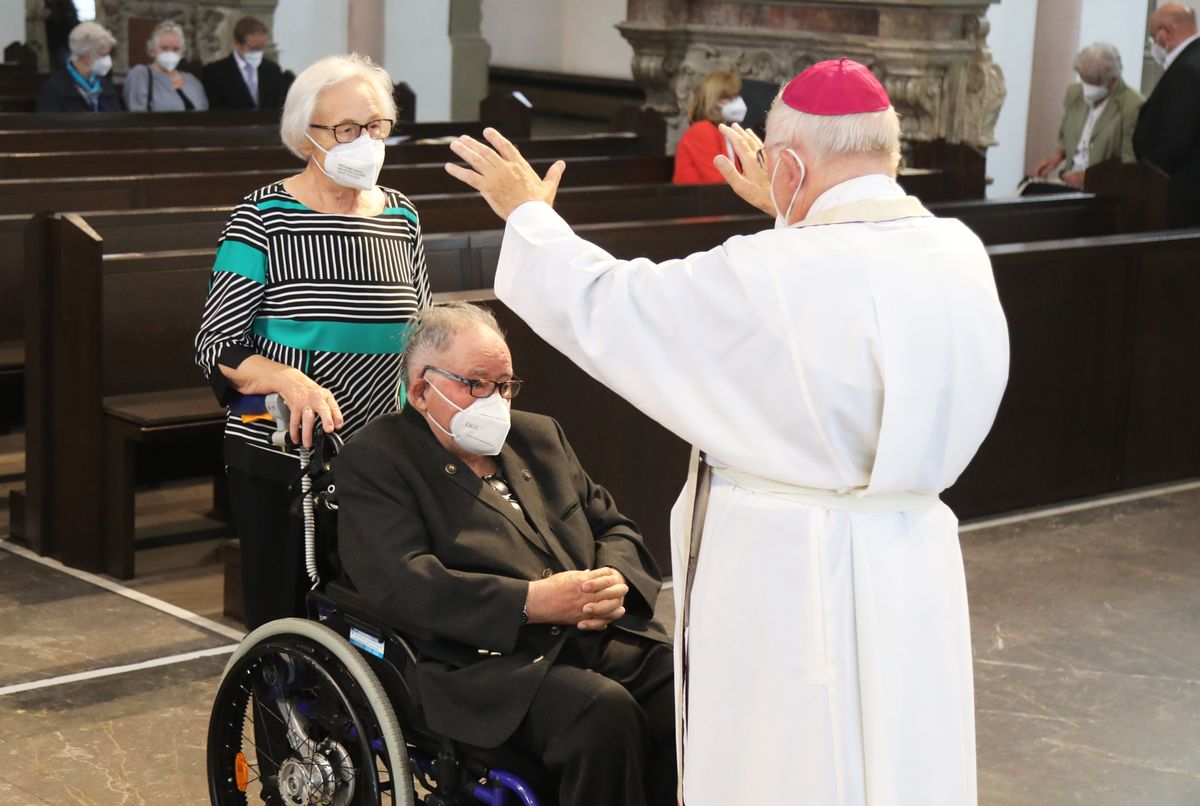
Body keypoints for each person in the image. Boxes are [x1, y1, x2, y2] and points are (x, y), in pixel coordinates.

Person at [445, 57, 1010, 805]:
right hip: (910, 553)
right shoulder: (958, 255)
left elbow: (615, 306)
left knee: (788, 764)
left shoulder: (772, 271)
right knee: (902, 755)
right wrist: (787, 209)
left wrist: (528, 216)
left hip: (792, 572)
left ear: (790, 164)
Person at [337, 302, 675, 806]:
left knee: (689, 687)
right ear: (421, 390)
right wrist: (529, 602)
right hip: (482, 665)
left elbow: (613, 525)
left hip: (586, 636)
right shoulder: (378, 457)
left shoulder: (540, 436)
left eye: (504, 384)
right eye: (476, 383)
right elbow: (402, 583)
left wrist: (613, 577)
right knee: (600, 714)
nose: (494, 400)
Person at [194, 53, 430, 631]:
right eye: (347, 129)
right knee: (287, 625)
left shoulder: (400, 215)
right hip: (282, 451)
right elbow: (216, 344)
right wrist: (286, 377)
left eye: (376, 127)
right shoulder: (262, 216)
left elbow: (422, 332)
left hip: (381, 459)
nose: (366, 142)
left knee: (373, 624)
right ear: (306, 137)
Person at [1032, 42, 1143, 189]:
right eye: (1084, 80)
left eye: (1094, 83)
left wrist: (1090, 178)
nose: (1087, 88)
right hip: (1067, 183)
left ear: (1113, 80)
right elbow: (1067, 136)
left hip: (1103, 192)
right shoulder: (1074, 93)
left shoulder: (1133, 106)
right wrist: (1055, 158)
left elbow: (1130, 164)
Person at [1134, 2, 1200, 228]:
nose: (1154, 45)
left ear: (1167, 33)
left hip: (1179, 198)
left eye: (1153, 37)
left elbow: (1175, 141)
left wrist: (1145, 176)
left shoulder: (1188, 69)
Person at [673, 70, 745, 184]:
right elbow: (716, 180)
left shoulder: (725, 131)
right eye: (730, 98)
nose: (738, 102)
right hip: (695, 199)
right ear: (713, 101)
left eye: (737, 96)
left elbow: (739, 175)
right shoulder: (702, 130)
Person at [202, 16, 290, 109]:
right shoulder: (215, 72)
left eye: (261, 48)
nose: (258, 53)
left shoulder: (273, 70)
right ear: (237, 43)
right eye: (253, 48)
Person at [36, 21, 121, 112]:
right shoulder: (54, 90)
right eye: (103, 55)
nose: (107, 60)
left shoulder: (105, 87)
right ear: (86, 54)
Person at [123, 20, 209, 112]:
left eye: (175, 49)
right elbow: (137, 115)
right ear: (152, 49)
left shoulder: (192, 81)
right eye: (164, 48)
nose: (170, 53)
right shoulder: (141, 74)